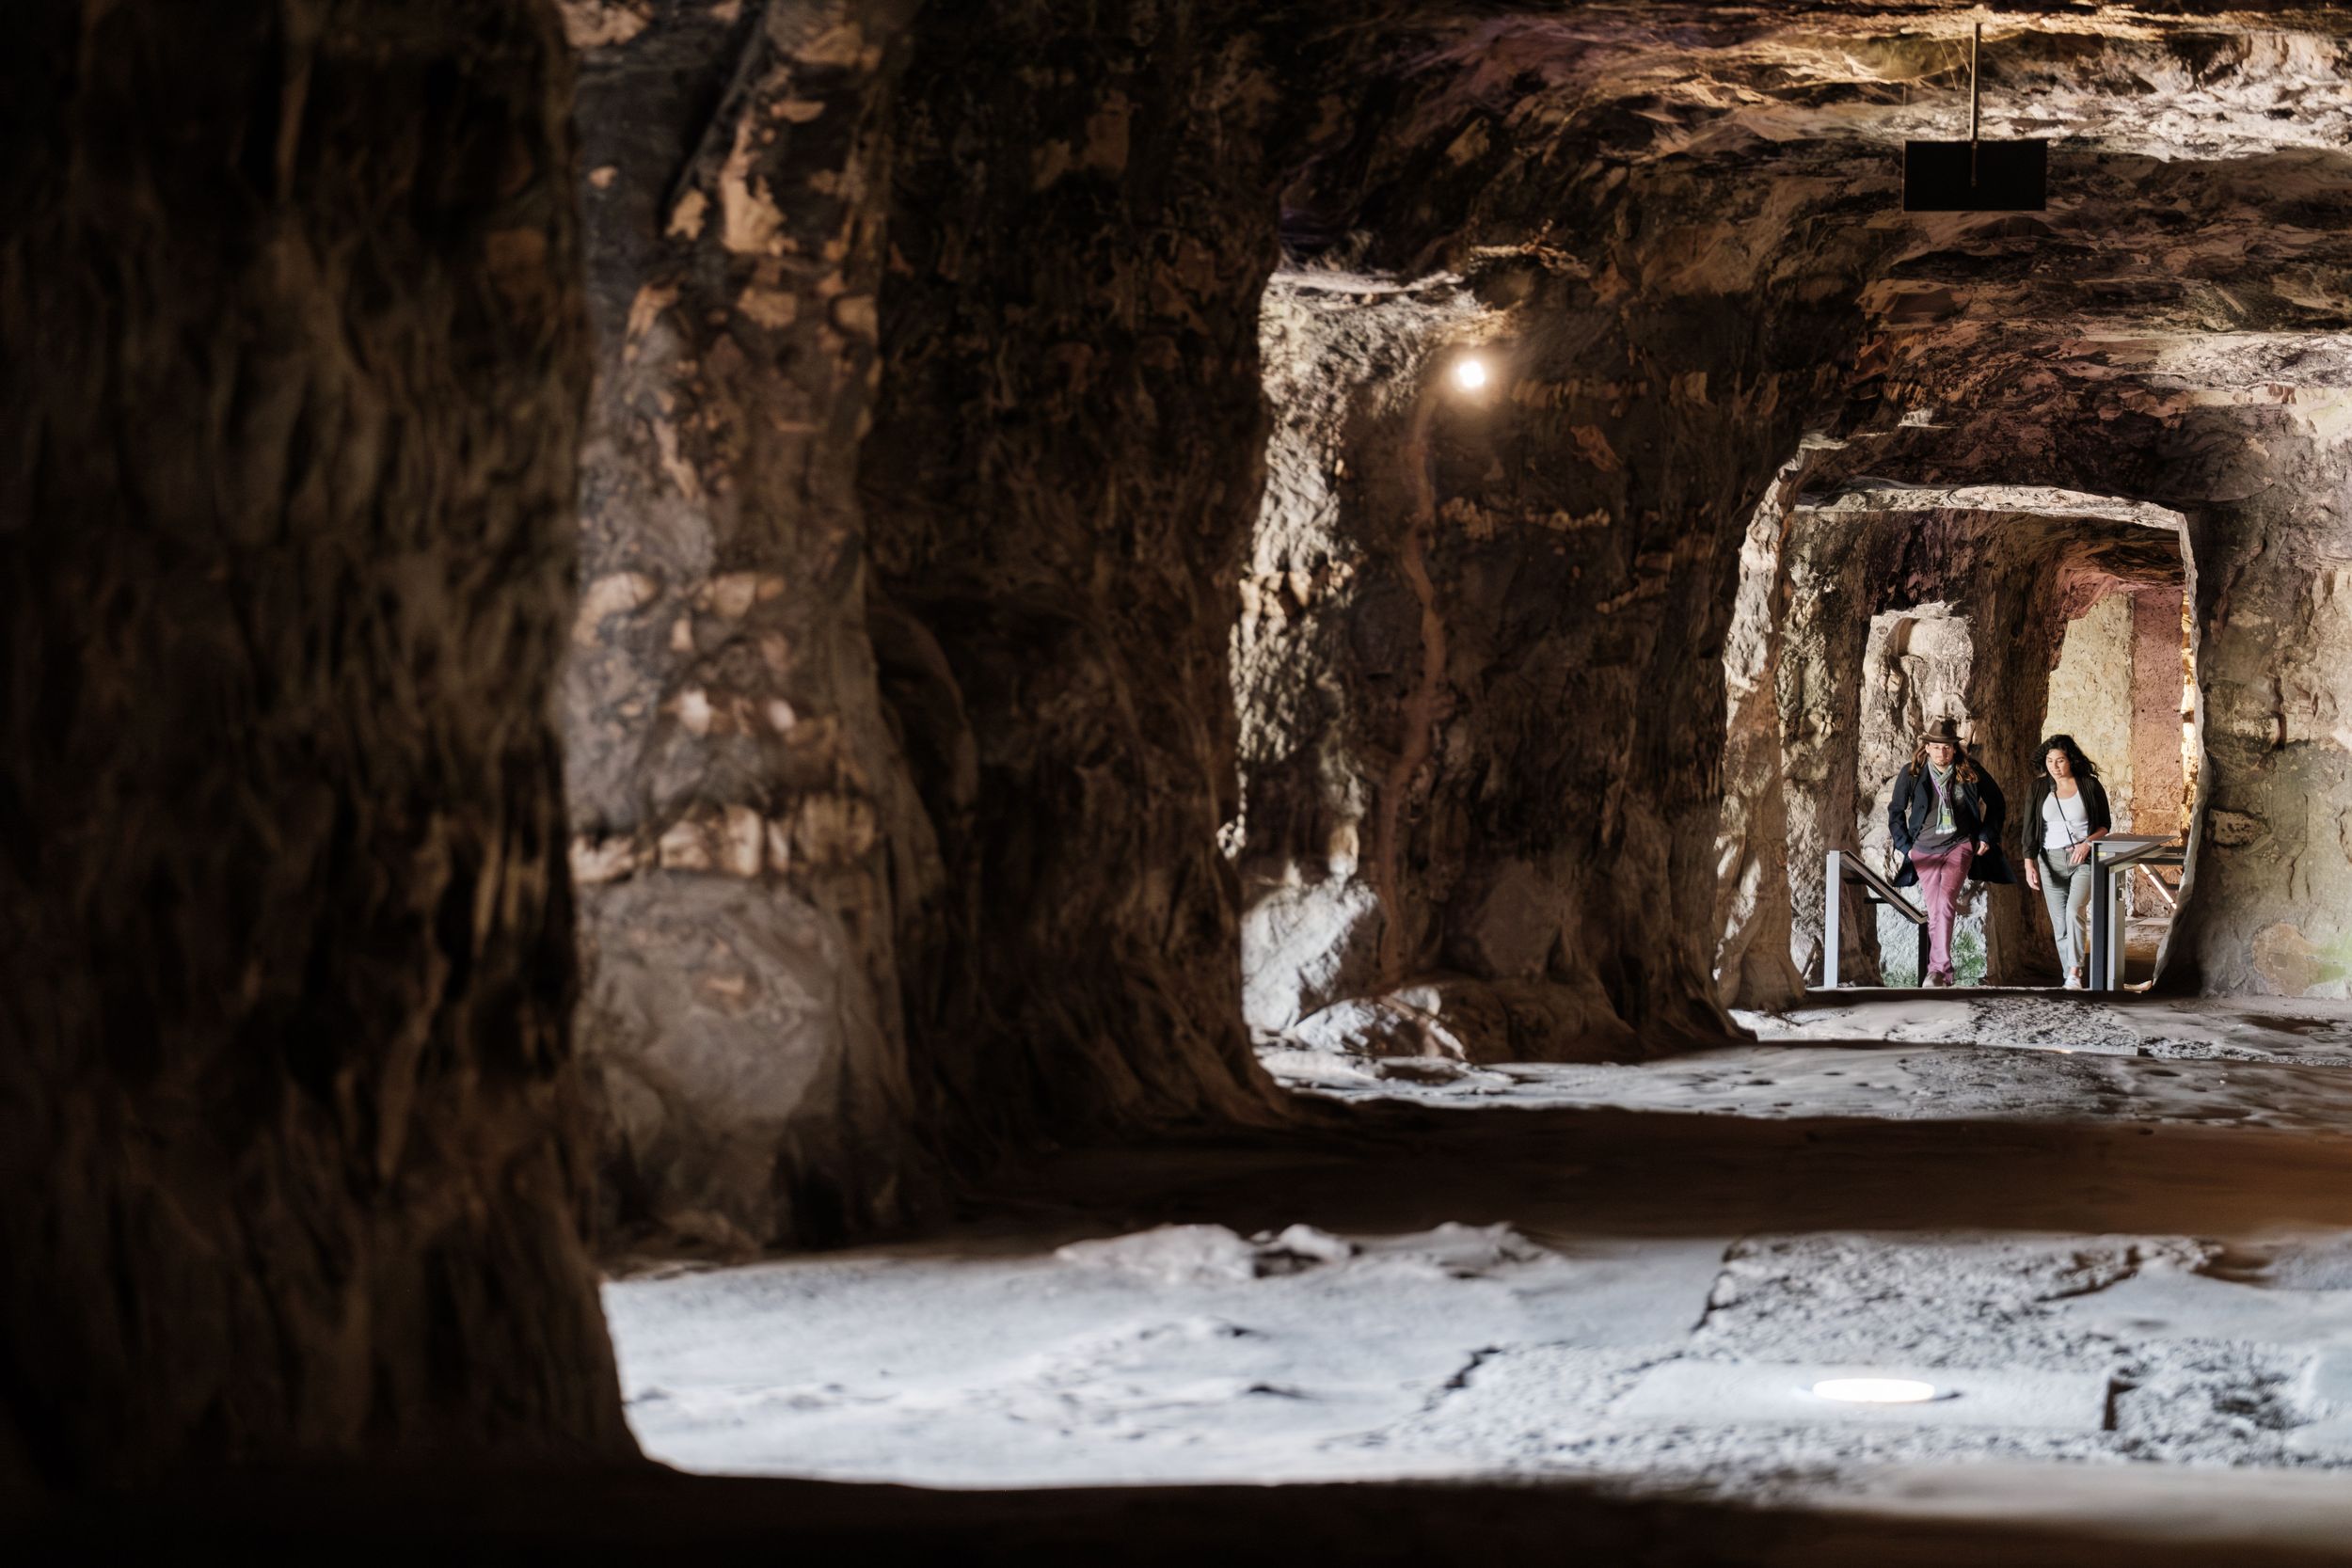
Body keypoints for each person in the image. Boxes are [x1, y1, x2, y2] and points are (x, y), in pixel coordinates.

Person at [1885, 715, 2012, 986]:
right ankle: (1941, 972)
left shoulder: (1968, 771)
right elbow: (1896, 811)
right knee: (1936, 908)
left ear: (1954, 748)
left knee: (1944, 902)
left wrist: (1987, 835)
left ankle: (1938, 970)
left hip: (1959, 845)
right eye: (1936, 746)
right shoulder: (1913, 773)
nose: (1942, 751)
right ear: (1927, 747)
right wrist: (1905, 847)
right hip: (1924, 849)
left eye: (1947, 747)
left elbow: (1997, 802)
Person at [2021, 733, 2112, 989]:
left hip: (2082, 859)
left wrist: (2088, 843)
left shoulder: (2089, 785)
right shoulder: (2038, 788)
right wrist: (2030, 863)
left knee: (2074, 912)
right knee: (2059, 923)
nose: (2054, 766)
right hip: (2050, 861)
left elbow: (2105, 824)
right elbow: (2029, 829)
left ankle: (2075, 972)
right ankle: (2068, 977)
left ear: (2070, 760)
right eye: (2050, 761)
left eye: (2060, 760)